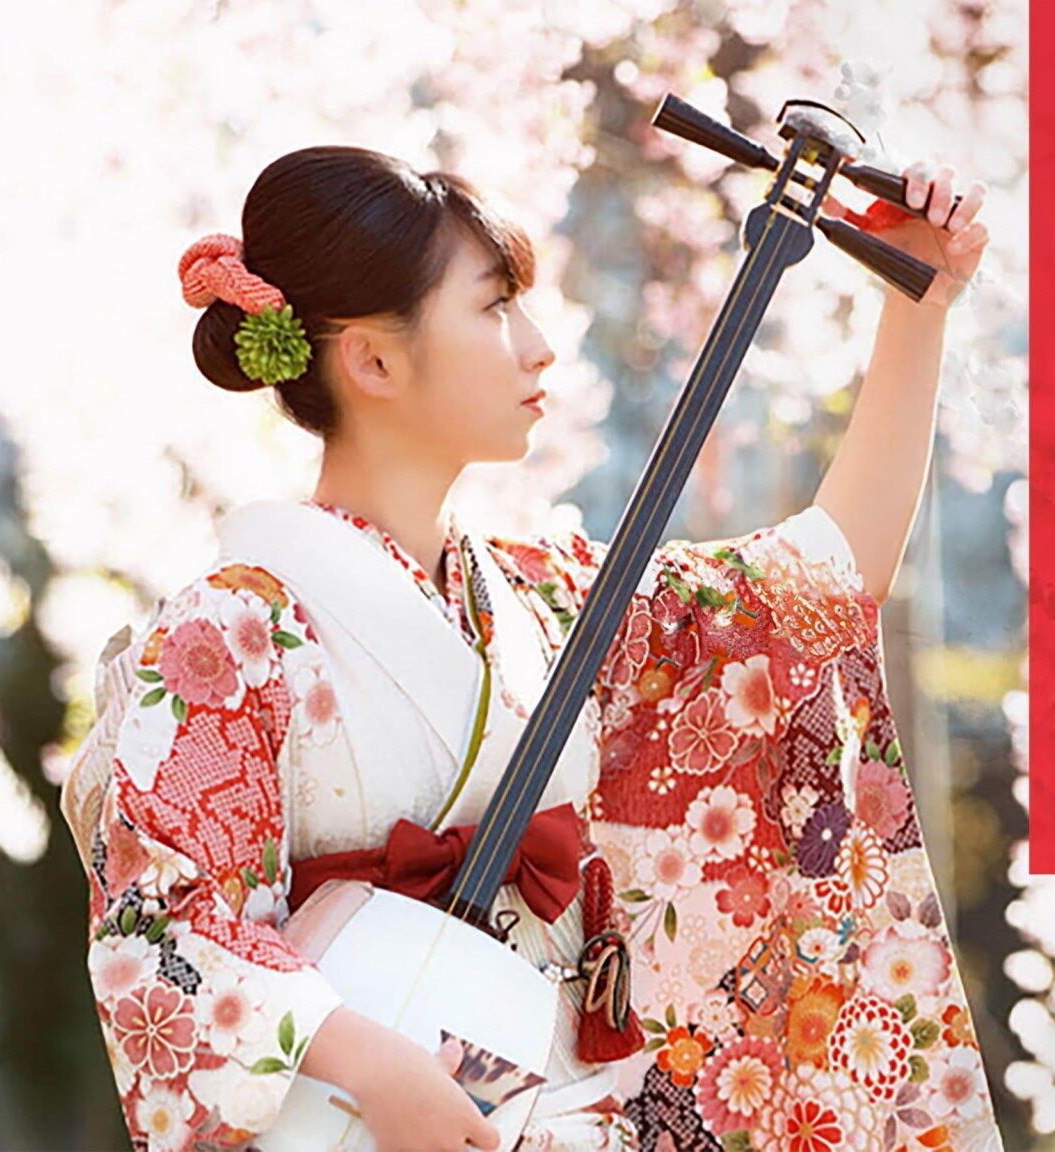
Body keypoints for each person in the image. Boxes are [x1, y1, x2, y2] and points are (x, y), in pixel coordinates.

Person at [57, 143, 999, 1152]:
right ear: (371, 359)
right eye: (493, 306)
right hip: (367, 1118)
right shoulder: (229, 633)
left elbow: (823, 585)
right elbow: (162, 926)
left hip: (552, 1107)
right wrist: (370, 1064)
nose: (539, 345)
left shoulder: (548, 601)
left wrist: (918, 309)